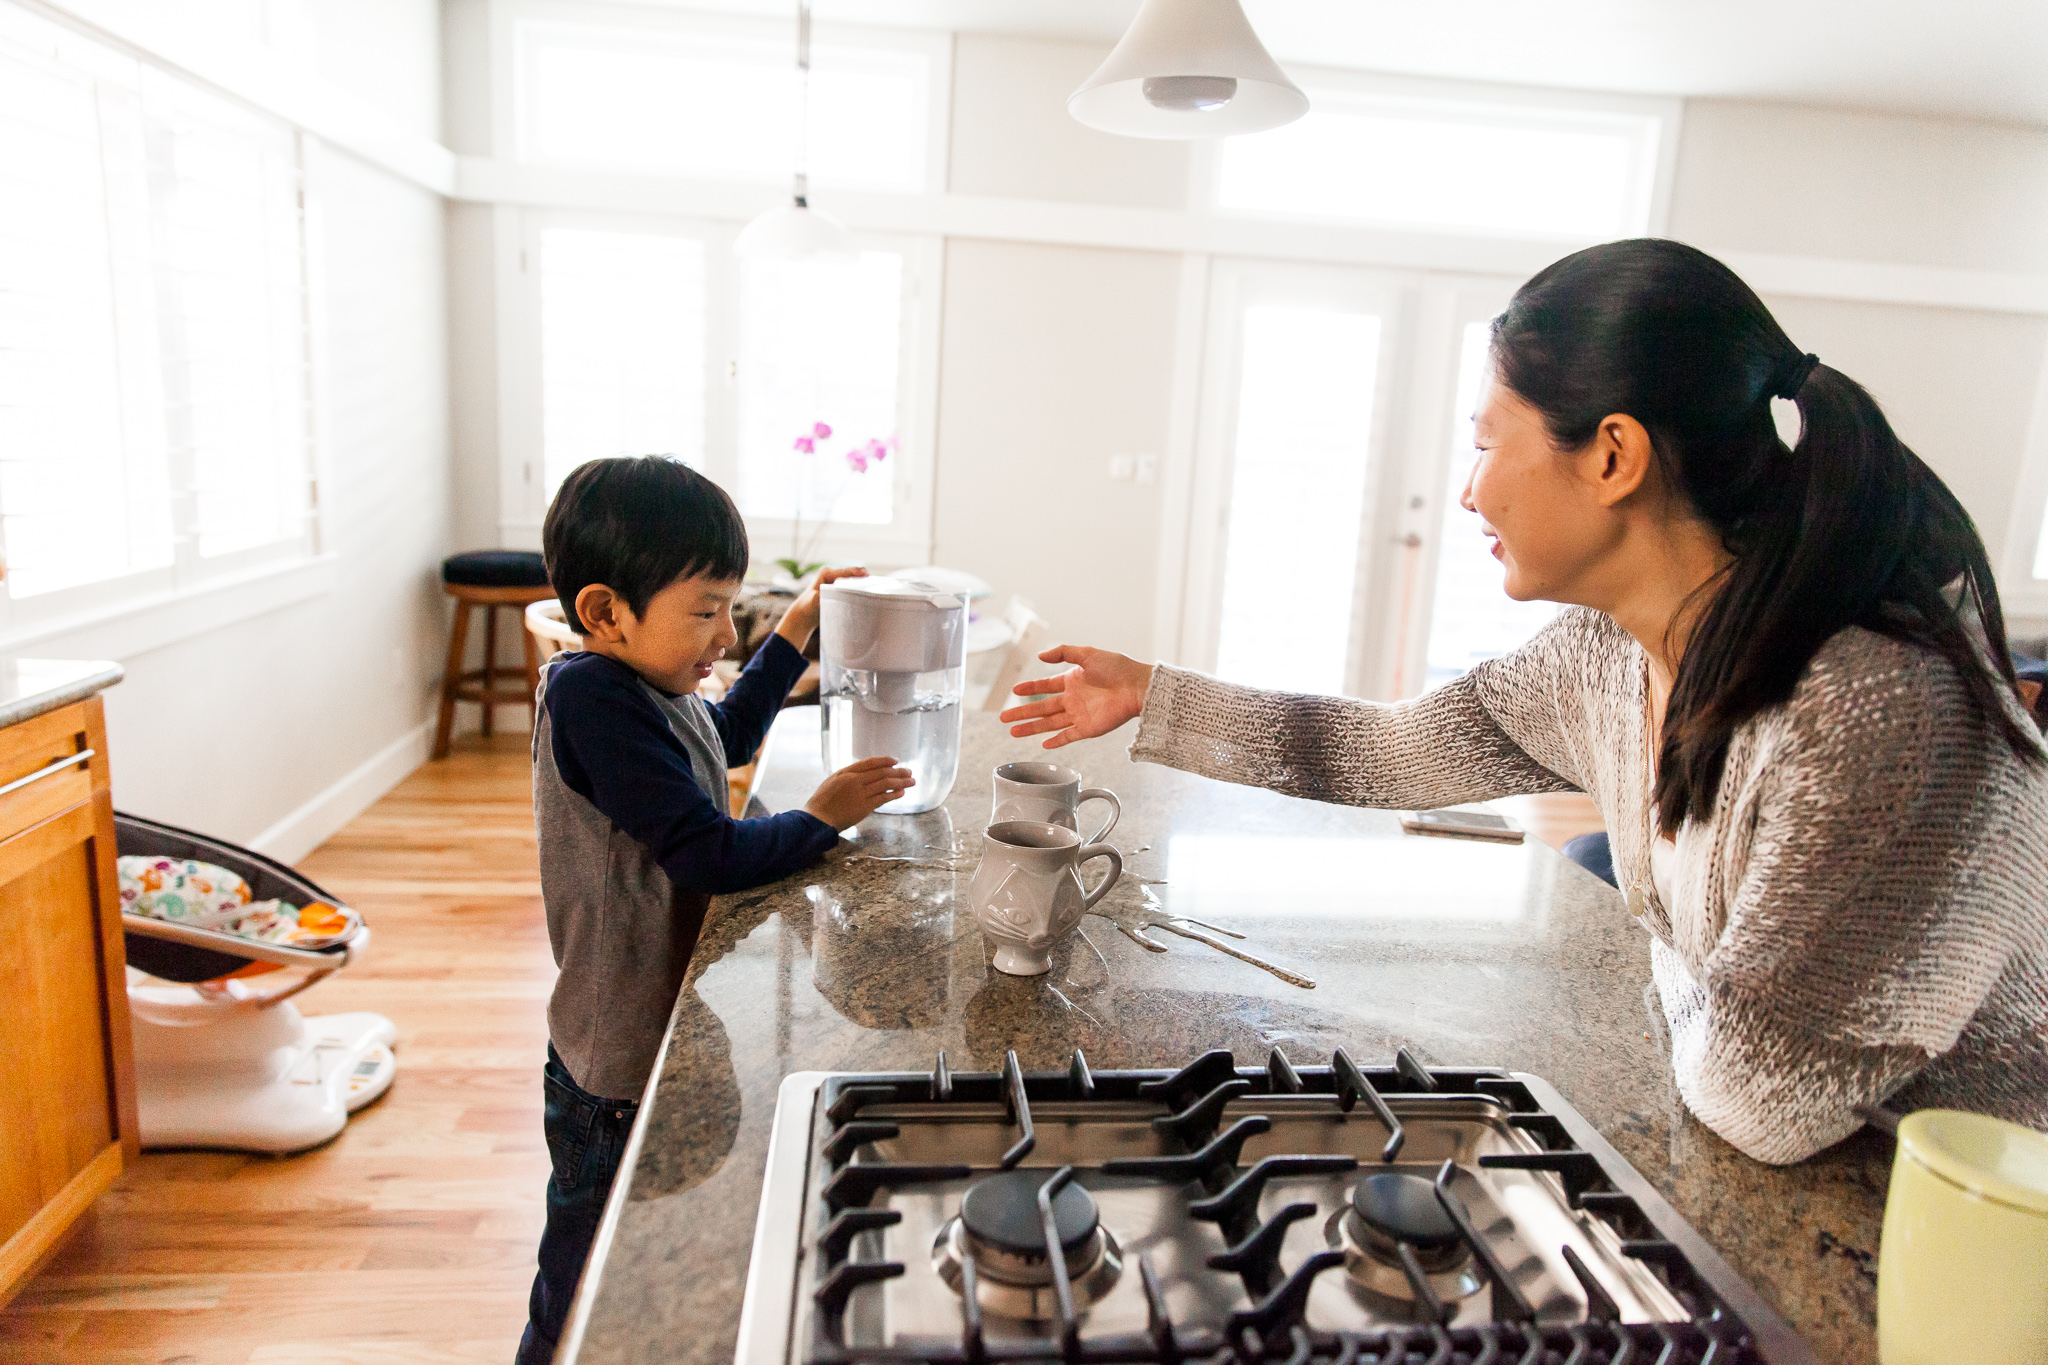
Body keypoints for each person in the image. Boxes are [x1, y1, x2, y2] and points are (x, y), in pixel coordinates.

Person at [1001, 239, 2048, 1167]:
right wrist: (1152, 695)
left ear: (1611, 455)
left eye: (1484, 442)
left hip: (1991, 1229)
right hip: (1867, 1180)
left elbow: (1755, 1096)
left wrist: (1648, 943)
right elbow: (1398, 750)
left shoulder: (1872, 708)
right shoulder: (1602, 653)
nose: (1466, 491)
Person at [517, 456, 912, 1364]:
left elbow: (724, 735)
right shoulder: (589, 699)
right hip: (610, 1069)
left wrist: (799, 630)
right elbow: (708, 852)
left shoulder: (651, 687)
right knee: (576, 1287)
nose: (725, 635)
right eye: (706, 610)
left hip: (659, 1031)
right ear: (605, 612)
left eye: (731, 609)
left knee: (643, 1263)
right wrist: (819, 816)